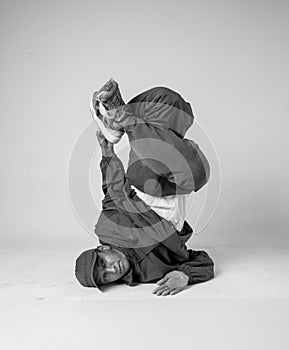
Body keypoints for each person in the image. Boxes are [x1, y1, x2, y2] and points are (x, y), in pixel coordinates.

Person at [75, 130, 214, 296]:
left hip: (143, 192)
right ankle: (139, 121)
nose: (112, 269)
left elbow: (113, 191)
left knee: (148, 144)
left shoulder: (107, 229)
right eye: (105, 277)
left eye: (103, 263)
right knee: (196, 173)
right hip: (171, 214)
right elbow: (202, 260)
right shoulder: (151, 273)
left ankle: (127, 117)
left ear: (102, 248)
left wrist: (107, 152)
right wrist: (185, 275)